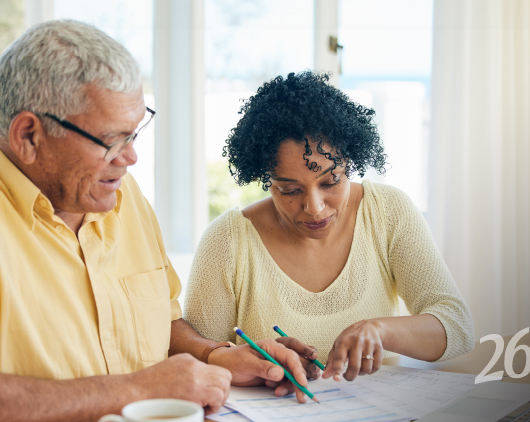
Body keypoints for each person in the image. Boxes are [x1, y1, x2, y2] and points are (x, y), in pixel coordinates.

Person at [0, 21, 312, 422]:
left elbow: (163, 325)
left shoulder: (119, 194)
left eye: (135, 132)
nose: (130, 157)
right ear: (29, 135)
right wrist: (137, 390)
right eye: (111, 141)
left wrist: (216, 356)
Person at [184, 71, 475, 388]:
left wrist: (381, 330)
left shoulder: (388, 211)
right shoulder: (228, 240)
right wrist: (253, 367)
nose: (315, 207)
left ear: (350, 161)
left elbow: (458, 329)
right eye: (290, 190)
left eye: (330, 182)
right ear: (265, 179)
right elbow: (198, 363)